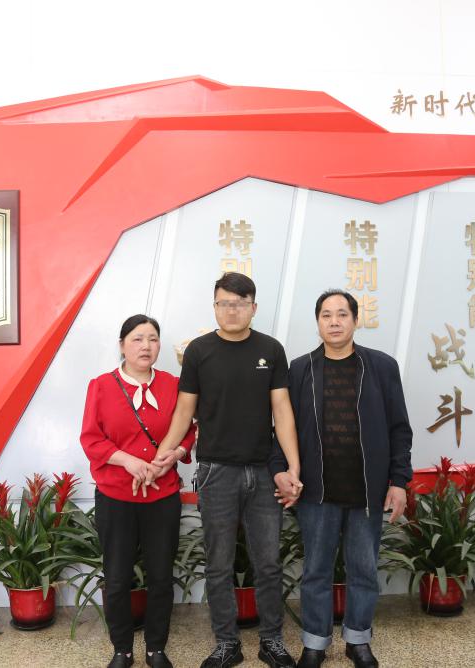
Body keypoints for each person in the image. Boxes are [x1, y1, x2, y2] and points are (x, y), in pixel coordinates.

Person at [150, 272, 302, 668]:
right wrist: (162, 456)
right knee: (218, 564)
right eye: (224, 303)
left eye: (240, 303)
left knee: (268, 563)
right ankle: (226, 644)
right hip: (216, 472)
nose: (232, 310)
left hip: (263, 472)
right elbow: (184, 412)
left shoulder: (271, 349)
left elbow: (282, 410)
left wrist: (293, 466)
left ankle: (271, 641)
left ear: (253, 307)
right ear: (215, 306)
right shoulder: (200, 352)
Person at [270, 290, 413, 668]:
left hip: (367, 491)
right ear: (317, 322)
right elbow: (281, 428)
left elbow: (400, 429)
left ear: (355, 320)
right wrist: (280, 470)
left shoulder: (381, 366)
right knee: (316, 570)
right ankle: (315, 643)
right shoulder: (300, 369)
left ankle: (358, 641)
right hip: (316, 492)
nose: (334, 322)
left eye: (342, 314)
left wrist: (398, 481)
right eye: (326, 315)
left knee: (363, 570)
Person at [79, 314, 196, 668]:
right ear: (122, 345)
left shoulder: (173, 385)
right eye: (137, 339)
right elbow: (91, 438)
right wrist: (129, 462)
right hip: (116, 496)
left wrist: (174, 454)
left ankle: (156, 648)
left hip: (162, 495)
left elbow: (189, 430)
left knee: (161, 576)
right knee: (117, 578)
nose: (146, 346)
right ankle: (122, 649)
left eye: (153, 339)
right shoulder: (101, 385)